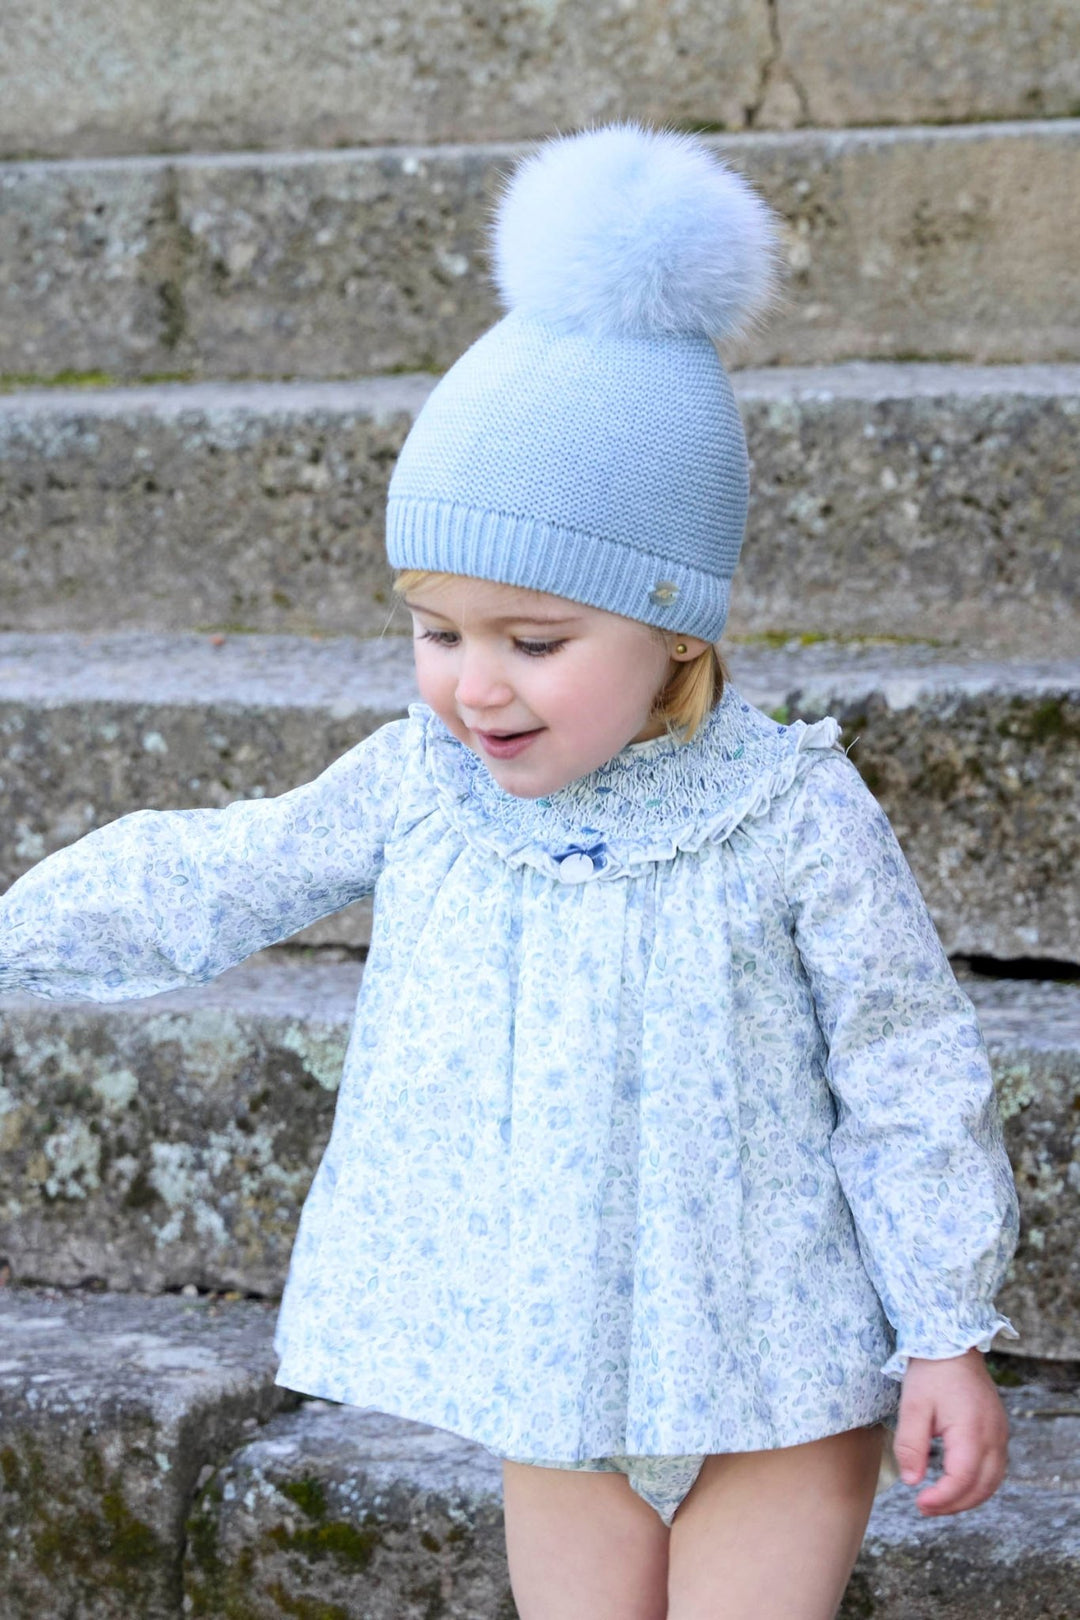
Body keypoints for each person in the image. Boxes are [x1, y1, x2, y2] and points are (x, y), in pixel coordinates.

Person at [0, 123, 1019, 1620]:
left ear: (675, 623)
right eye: (438, 631)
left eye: (535, 641)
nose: (476, 684)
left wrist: (943, 1329)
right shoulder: (423, 784)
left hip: (781, 1355)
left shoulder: (789, 811)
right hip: (553, 1361)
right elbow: (217, 872)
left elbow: (908, 1066)